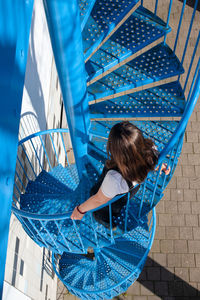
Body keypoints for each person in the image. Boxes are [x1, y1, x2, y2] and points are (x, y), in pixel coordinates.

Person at [71, 121, 170, 227]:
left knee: (100, 213)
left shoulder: (114, 179)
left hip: (110, 201)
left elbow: (98, 200)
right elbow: (153, 160)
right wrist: (159, 165)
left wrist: (80, 210)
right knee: (115, 203)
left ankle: (110, 225)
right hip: (127, 191)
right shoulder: (150, 149)